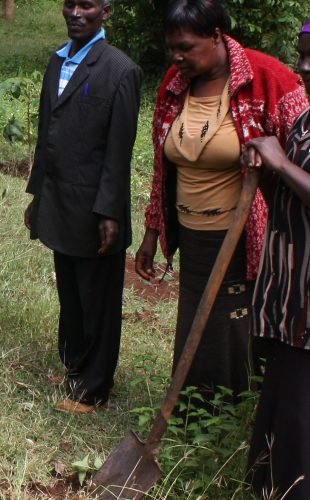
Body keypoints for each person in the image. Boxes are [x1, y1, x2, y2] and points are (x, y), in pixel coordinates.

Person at [135, 0, 307, 409]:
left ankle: (229, 416)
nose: (177, 57)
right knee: (195, 323)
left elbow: (300, 150)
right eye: (171, 48)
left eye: (186, 47)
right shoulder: (176, 83)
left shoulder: (269, 79)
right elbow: (163, 166)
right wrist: (152, 231)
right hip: (192, 235)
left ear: (216, 37)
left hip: (243, 235)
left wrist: (268, 163)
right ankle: (190, 412)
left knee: (231, 328)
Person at [24, 0, 143, 414]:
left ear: (106, 12)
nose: (76, 13)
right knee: (71, 293)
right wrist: (37, 195)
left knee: (97, 298)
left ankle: (94, 387)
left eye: (87, 5)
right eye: (69, 4)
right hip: (59, 201)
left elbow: (119, 151)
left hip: (95, 208)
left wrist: (109, 211)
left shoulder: (120, 70)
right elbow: (47, 136)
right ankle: (75, 366)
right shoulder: (57, 62)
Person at [244, 22, 310, 499]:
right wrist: (269, 171)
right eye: (301, 55)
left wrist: (282, 163)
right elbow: (289, 198)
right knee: (282, 409)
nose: (304, 69)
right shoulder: (307, 120)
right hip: (292, 299)